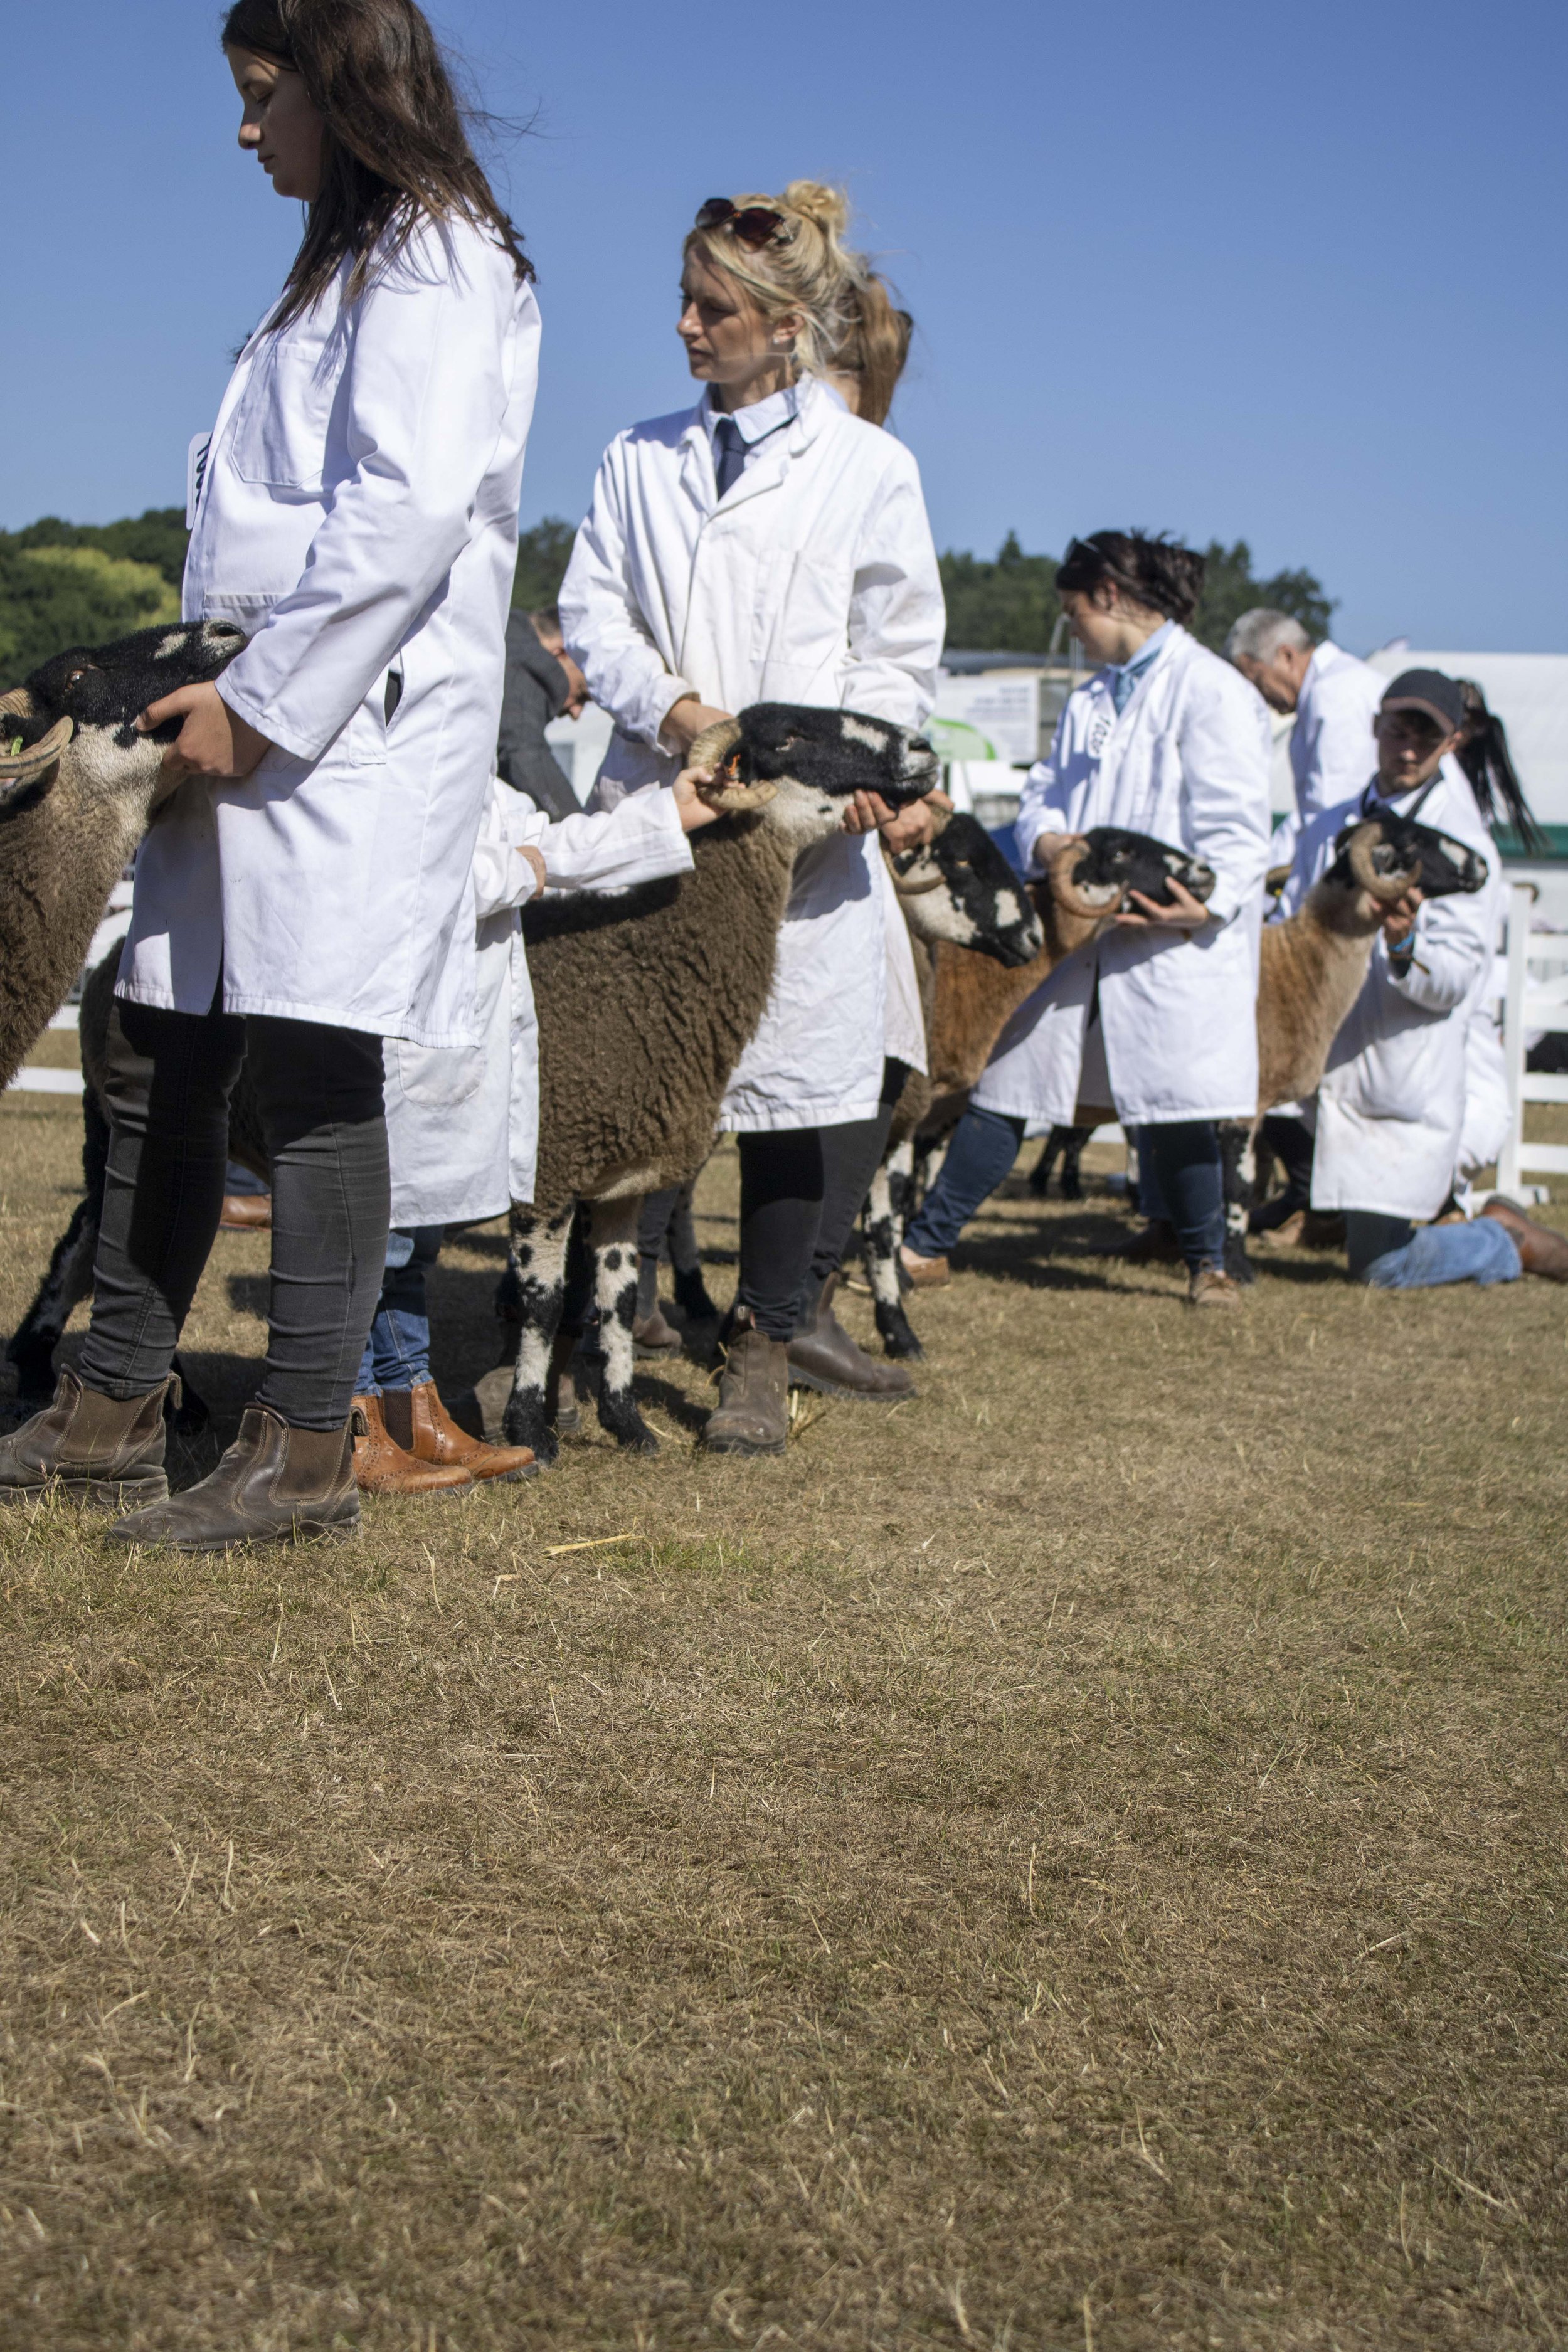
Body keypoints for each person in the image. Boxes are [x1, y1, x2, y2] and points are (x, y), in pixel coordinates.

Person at [0, 0, 540, 1547]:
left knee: (311, 1071)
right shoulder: (345, 269)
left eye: (262, 98)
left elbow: (409, 508)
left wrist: (268, 701)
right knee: (166, 1046)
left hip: (339, 736)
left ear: (344, 88)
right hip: (250, 718)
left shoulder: (440, 253)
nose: (246, 134)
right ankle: (112, 1399)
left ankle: (305, 1445)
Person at [559, 184, 945, 1453]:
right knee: (626, 1087)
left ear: (784, 327)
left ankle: (763, 1348)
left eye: (710, 309)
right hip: (662, 811)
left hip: (797, 839)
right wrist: (678, 714)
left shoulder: (868, 469)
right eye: (681, 301)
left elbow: (898, 654)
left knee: (798, 1094)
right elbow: (593, 611)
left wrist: (825, 780)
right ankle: (594, 1332)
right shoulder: (634, 457)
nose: (683, 326)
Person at [900, 531, 1273, 1308]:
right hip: (1080, 933)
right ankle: (925, 1246)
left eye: (1074, 612)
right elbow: (1045, 792)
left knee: (1174, 1105)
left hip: (1168, 937)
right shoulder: (1092, 698)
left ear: (1109, 596)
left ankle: (1210, 1266)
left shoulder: (1211, 690)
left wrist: (1211, 900)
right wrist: (1044, 837)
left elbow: (1239, 829)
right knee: (1008, 1082)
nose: (1071, 628)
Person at [353, 763, 720, 1494]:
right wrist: (515, 868)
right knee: (376, 1228)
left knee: (414, 1233)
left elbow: (543, 835)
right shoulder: (379, 767)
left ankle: (407, 1397)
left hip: (456, 1015)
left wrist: (664, 815)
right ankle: (348, 1417)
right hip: (385, 1006)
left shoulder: (478, 778)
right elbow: (426, 871)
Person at [1276, 668, 1562, 1286]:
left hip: (1403, 1075)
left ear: (1452, 742)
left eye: (1424, 737)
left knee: (1381, 1269)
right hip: (1331, 1061)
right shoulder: (1327, 827)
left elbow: (1456, 977)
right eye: (1396, 730)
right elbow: (1288, 921)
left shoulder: (1462, 850)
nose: (1405, 748)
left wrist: (1403, 941)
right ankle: (1445, 1213)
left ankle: (1505, 1241)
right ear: (1374, 727)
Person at [1226, 610, 1385, 824]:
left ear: (1286, 657)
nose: (1259, 697)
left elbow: (1333, 812)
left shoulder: (1335, 693)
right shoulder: (1332, 688)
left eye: (1257, 682)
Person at [495, 605, 588, 821]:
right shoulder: (525, 667)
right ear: (562, 652)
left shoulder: (500, 634)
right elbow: (524, 752)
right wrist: (578, 831)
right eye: (581, 694)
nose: (576, 713)